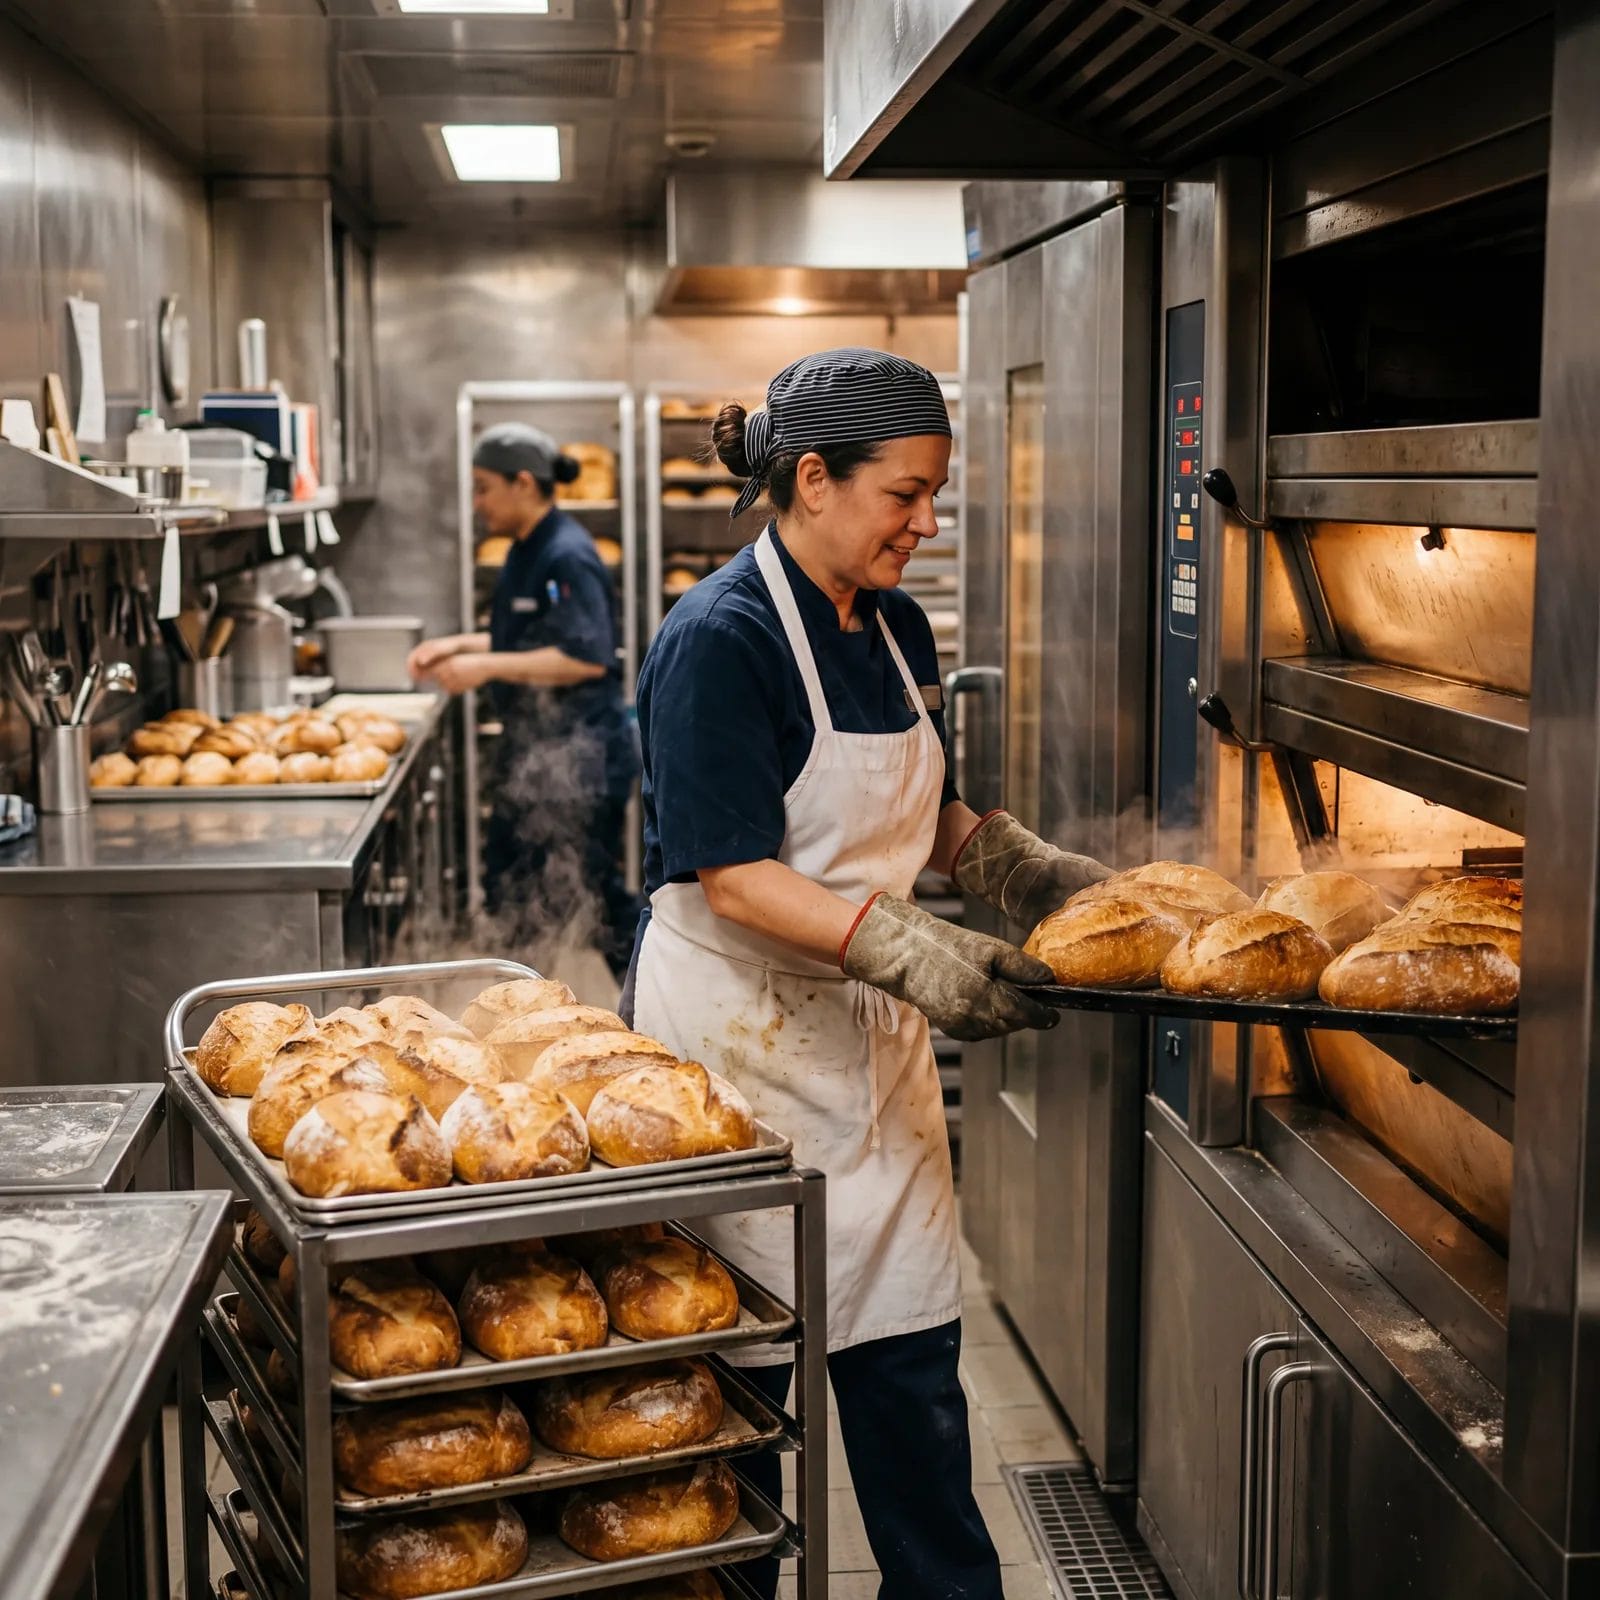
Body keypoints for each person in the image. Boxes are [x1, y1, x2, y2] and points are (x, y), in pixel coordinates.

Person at [625, 349, 1113, 1599]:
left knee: (915, 1420)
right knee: (722, 1447)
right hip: (734, 1073)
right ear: (812, 480)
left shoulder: (897, 626)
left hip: (873, 1075)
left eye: (933, 494)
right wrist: (906, 948)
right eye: (905, 494)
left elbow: (919, 807)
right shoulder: (718, 639)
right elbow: (731, 873)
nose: (926, 521)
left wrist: (1015, 867)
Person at [409, 422, 639, 980]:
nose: (478, 502)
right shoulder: (525, 550)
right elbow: (533, 642)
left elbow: (586, 657)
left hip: (578, 758)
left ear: (523, 484)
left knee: (590, 893)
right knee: (513, 891)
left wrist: (483, 666)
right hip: (537, 754)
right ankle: (514, 1006)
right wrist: (461, 644)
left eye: (484, 487)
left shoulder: (567, 555)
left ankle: (654, 1004)